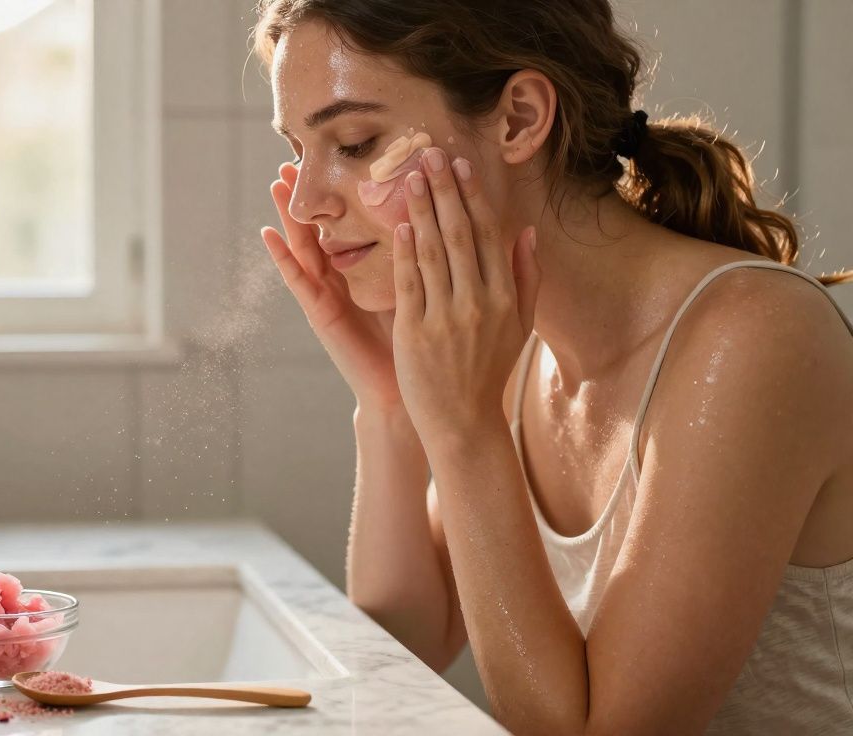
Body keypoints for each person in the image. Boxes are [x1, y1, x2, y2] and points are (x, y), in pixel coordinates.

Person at [253, 1, 853, 733]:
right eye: (298, 151)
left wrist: (466, 428)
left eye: (353, 141)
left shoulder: (753, 338)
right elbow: (404, 642)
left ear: (519, 119)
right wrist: (391, 406)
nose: (309, 202)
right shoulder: (514, 340)